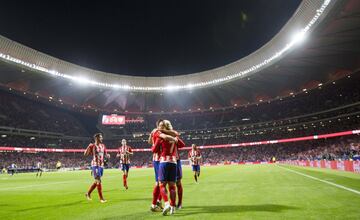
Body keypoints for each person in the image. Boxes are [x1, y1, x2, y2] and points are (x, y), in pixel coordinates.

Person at [152, 120, 185, 215]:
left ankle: (167, 203)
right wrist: (175, 140)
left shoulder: (161, 136)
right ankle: (172, 206)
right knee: (173, 185)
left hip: (164, 161)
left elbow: (154, 149)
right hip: (174, 161)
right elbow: (182, 144)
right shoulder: (174, 135)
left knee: (162, 184)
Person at [84, 133, 110, 203]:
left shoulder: (103, 146)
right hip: (95, 164)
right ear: (96, 138)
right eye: (100, 137)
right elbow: (85, 154)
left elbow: (105, 154)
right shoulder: (92, 146)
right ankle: (101, 199)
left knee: (97, 181)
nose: (102, 138)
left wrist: (107, 156)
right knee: (98, 180)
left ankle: (88, 193)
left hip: (101, 165)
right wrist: (88, 147)